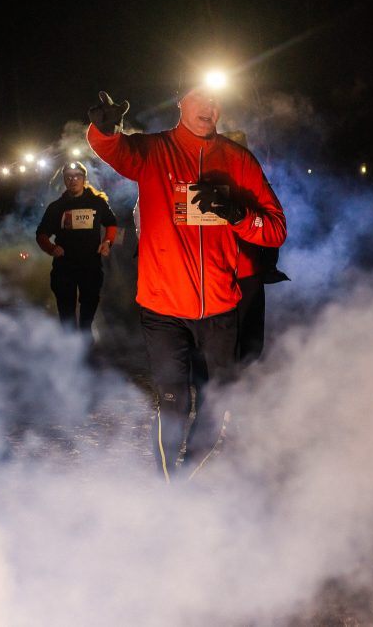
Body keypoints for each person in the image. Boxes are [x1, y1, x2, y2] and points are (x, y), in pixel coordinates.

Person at [87, 84, 287, 481]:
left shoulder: (237, 160)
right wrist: (103, 131)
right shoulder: (154, 151)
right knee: (174, 401)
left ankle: (188, 474)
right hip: (163, 307)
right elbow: (113, 150)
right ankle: (167, 487)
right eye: (200, 98)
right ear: (181, 102)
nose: (209, 107)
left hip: (219, 306)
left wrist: (238, 214)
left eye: (216, 100)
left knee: (218, 401)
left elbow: (275, 229)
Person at [36, 161, 118, 332]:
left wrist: (107, 242)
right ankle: (70, 344)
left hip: (90, 265)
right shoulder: (56, 207)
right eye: (69, 177)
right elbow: (41, 234)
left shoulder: (97, 203)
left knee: (90, 302)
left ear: (84, 179)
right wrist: (51, 248)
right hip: (65, 266)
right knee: (66, 310)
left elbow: (111, 223)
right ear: (64, 181)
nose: (73, 180)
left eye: (77, 176)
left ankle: (85, 335)